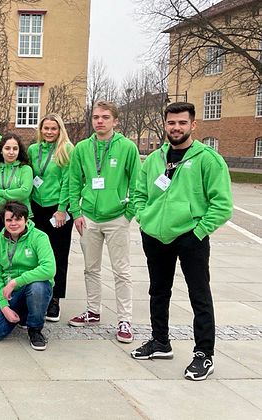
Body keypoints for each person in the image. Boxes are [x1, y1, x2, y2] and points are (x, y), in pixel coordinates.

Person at [130, 102, 232, 381]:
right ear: (165, 124)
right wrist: (144, 220)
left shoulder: (207, 159)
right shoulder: (153, 160)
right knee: (158, 291)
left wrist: (198, 232)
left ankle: (204, 354)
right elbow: (139, 194)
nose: (176, 128)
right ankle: (160, 342)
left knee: (199, 295)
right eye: (171, 123)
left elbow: (222, 205)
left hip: (191, 238)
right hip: (155, 236)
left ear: (193, 125)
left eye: (182, 123)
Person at [67, 100, 141, 343]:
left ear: (115, 121)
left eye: (105, 117)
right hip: (89, 216)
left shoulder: (127, 147)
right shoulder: (82, 148)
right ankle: (93, 310)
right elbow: (74, 182)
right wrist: (76, 213)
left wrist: (128, 213)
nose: (99, 121)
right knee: (91, 267)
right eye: (96, 117)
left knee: (121, 270)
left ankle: (124, 319)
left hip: (116, 216)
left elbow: (137, 183)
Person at [0, 200, 55, 350]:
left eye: (18, 219)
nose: (13, 223)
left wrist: (15, 282)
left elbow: (49, 269)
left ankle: (35, 330)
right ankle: (22, 314)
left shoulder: (39, 237)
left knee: (38, 287)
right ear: (3, 220)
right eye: (9, 219)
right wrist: (4, 306)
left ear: (26, 220)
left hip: (32, 287)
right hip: (10, 294)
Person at [28, 114, 75, 322]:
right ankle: (37, 295)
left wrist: (62, 208)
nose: (49, 132)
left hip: (58, 210)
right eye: (46, 128)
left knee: (57, 255)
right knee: (36, 254)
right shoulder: (32, 150)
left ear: (60, 130)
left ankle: (55, 299)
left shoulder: (66, 149)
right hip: (37, 207)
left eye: (53, 129)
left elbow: (68, 181)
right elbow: (29, 178)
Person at [0, 133, 33, 234]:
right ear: (1, 151)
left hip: (21, 217)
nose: (11, 152)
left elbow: (24, 192)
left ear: (19, 151)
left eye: (15, 149)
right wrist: (16, 202)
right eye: (7, 148)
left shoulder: (26, 169)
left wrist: (1, 193)